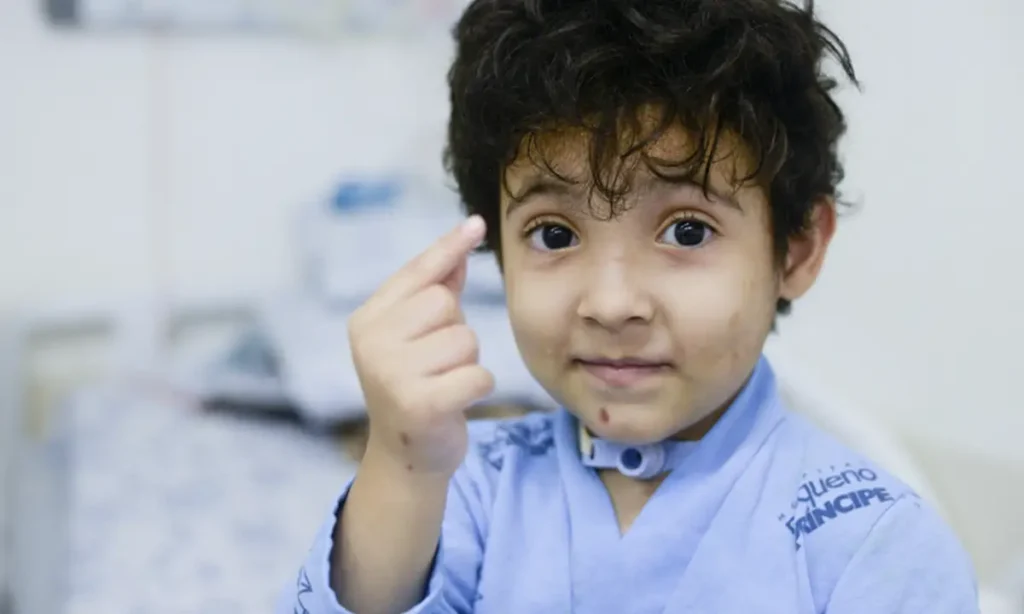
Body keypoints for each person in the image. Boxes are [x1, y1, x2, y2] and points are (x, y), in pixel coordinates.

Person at [279, 1, 979, 612]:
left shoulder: (871, 541)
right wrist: (401, 461)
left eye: (687, 230)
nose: (611, 304)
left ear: (793, 251)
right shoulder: (459, 487)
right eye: (554, 235)